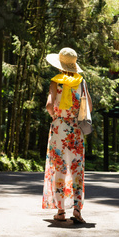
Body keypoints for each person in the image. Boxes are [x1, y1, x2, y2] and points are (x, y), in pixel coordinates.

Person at [42, 47, 92, 224]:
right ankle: (77, 209)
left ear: (60, 65)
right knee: (76, 168)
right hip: (76, 129)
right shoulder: (81, 82)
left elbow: (49, 105)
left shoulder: (56, 82)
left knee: (60, 168)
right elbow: (89, 109)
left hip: (59, 129)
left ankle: (61, 211)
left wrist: (56, 116)